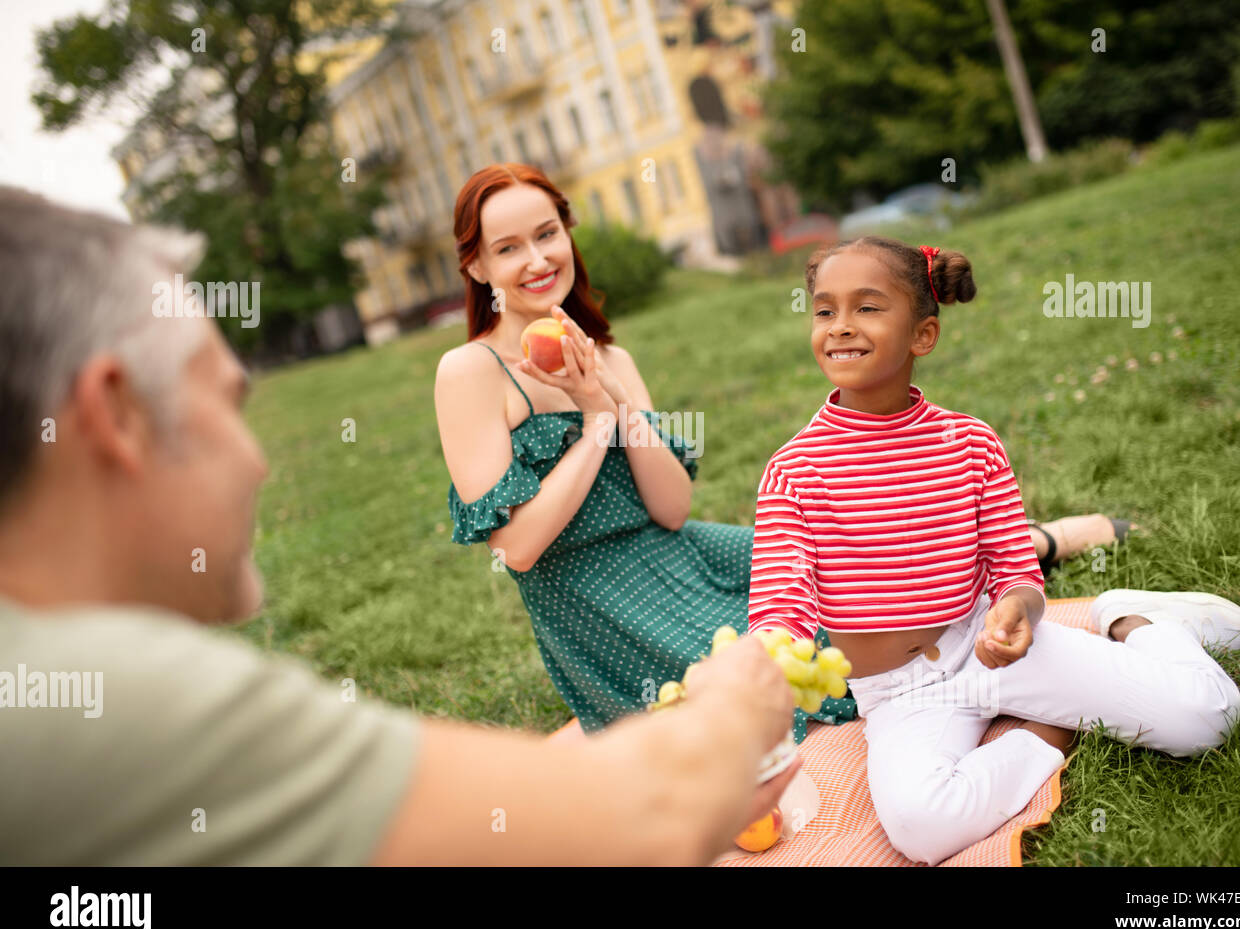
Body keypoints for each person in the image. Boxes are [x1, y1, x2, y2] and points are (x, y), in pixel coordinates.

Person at [0, 184, 802, 866]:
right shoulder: (134, 705)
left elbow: (672, 506)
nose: (262, 464)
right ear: (115, 416)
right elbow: (632, 813)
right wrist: (735, 709)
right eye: (230, 402)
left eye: (549, 234)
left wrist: (608, 409)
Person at [438, 162, 1136, 746]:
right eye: (507, 249)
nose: (536, 260)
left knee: (866, 574)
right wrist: (596, 422)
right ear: (475, 265)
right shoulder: (470, 372)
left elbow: (672, 507)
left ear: (567, 234)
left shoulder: (610, 354)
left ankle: (1027, 552)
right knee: (801, 684)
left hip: (682, 550)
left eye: (547, 234)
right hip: (593, 599)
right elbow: (520, 549)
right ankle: (1034, 581)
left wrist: (612, 395)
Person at [745, 236, 1240, 865]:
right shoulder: (793, 470)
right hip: (901, 695)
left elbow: (1015, 570)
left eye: (868, 308)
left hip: (990, 650)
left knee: (1206, 719)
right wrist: (772, 658)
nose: (840, 328)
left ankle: (1137, 622)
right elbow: (780, 602)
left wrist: (1018, 610)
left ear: (923, 335)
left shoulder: (970, 443)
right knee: (920, 829)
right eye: (825, 311)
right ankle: (1048, 731)